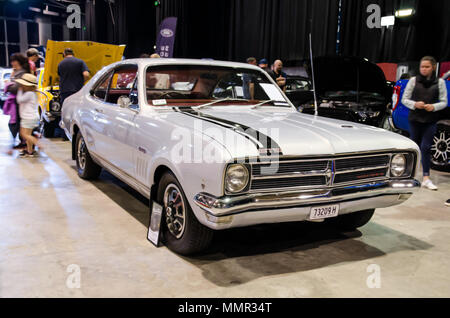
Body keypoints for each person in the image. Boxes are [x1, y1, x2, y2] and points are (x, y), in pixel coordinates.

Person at [402, 56, 448, 190]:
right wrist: (415, 104)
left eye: (427, 67)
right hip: (415, 118)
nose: (424, 69)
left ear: (433, 67)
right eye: (422, 66)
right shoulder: (413, 80)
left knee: (426, 147)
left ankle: (426, 178)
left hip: (430, 120)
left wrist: (434, 107)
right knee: (414, 147)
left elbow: (444, 102)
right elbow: (404, 99)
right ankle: (408, 176)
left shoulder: (439, 82)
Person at [2, 53, 31, 153]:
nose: (11, 63)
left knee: (15, 124)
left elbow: (16, 88)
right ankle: (24, 144)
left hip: (19, 103)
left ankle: (26, 145)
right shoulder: (19, 72)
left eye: (13, 61)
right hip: (19, 102)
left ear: (17, 61)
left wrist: (7, 85)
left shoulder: (22, 73)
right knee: (17, 124)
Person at [15, 73, 42, 157]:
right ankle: (30, 151)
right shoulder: (32, 93)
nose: (21, 86)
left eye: (22, 85)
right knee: (28, 135)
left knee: (24, 134)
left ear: (28, 86)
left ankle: (37, 143)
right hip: (30, 117)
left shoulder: (29, 94)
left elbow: (19, 100)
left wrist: (19, 91)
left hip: (28, 117)